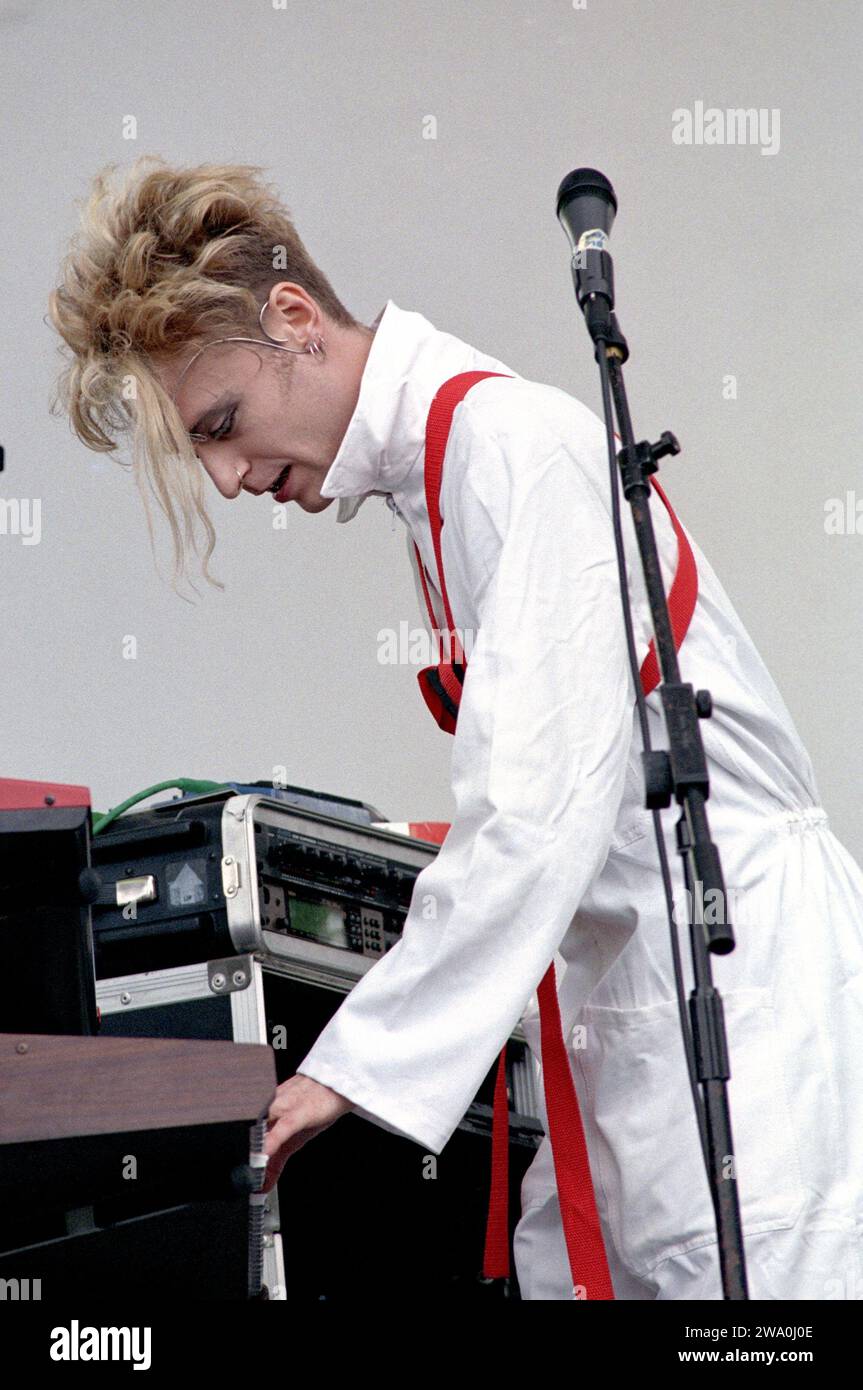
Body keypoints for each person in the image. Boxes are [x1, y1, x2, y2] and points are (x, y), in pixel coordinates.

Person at [48, 156, 863, 1301]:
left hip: (740, 1020)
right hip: (633, 1029)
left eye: (222, 424)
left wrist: (350, 1065)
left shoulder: (510, 450)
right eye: (203, 453)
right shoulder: (438, 478)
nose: (228, 479)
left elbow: (533, 813)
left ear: (294, 317)